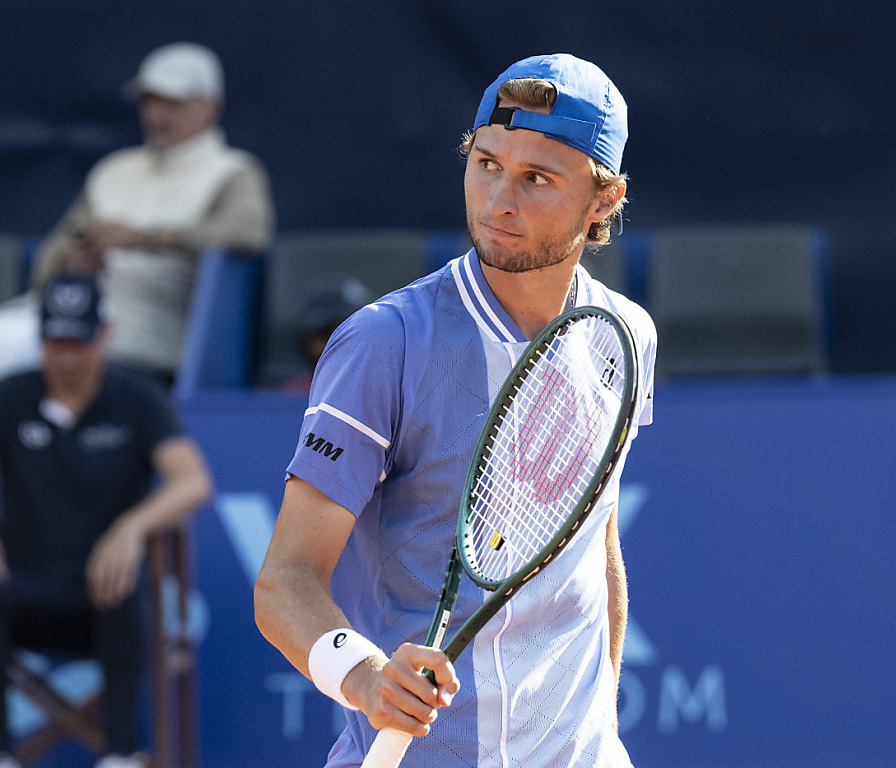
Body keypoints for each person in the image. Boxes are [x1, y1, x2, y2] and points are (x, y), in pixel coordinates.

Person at [254, 53, 657, 768]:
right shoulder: (384, 342)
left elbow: (597, 550)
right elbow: (285, 581)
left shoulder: (625, 336)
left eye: (536, 179)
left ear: (604, 200)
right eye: (486, 164)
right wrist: (367, 678)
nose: (498, 201)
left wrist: (605, 732)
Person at [0, 274, 214, 768]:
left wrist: (129, 529)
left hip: (103, 595)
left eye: (78, 342)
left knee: (124, 587)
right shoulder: (11, 396)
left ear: (104, 334)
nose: (67, 358)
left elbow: (193, 481)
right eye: (56, 342)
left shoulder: (136, 397)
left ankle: (118, 754)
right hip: (22, 590)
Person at [30, 41, 275, 384]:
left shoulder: (234, 172)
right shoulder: (113, 170)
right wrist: (73, 262)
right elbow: (50, 257)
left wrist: (145, 239)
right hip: (71, 316)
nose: (156, 116)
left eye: (172, 103)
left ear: (210, 107)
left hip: (155, 333)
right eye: (150, 101)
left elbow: (248, 233)